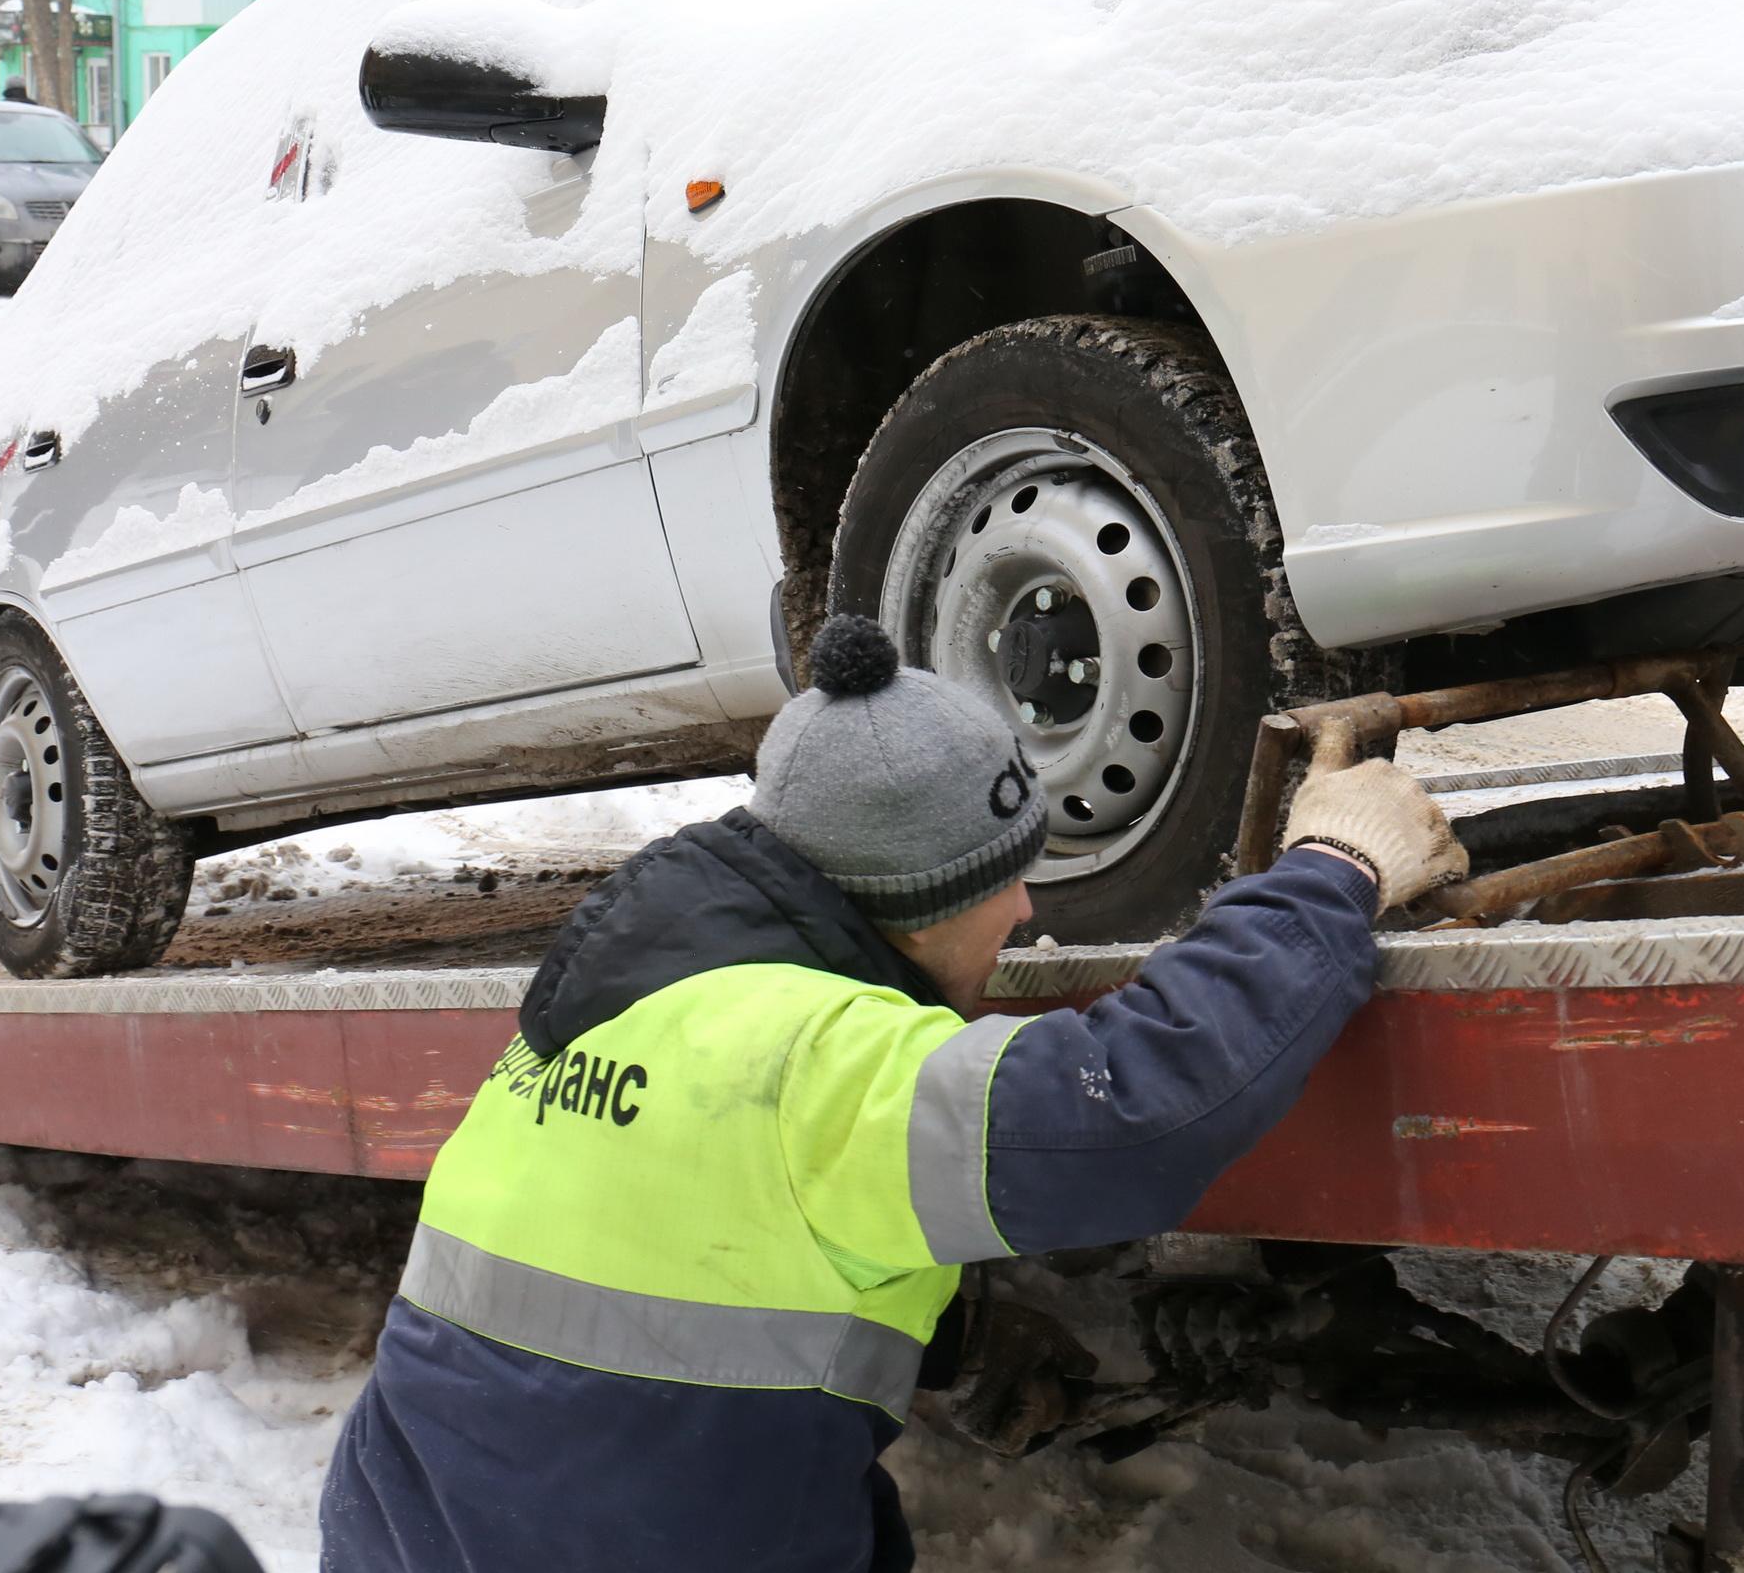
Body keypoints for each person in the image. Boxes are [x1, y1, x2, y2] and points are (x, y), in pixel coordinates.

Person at [318, 613, 1467, 1573]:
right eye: (1002, 880)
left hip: (409, 1531)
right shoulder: (816, 1067)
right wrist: (1329, 874)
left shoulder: (631, 999)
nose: (1024, 914)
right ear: (918, 902)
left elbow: (693, 1267)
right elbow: (1135, 1109)